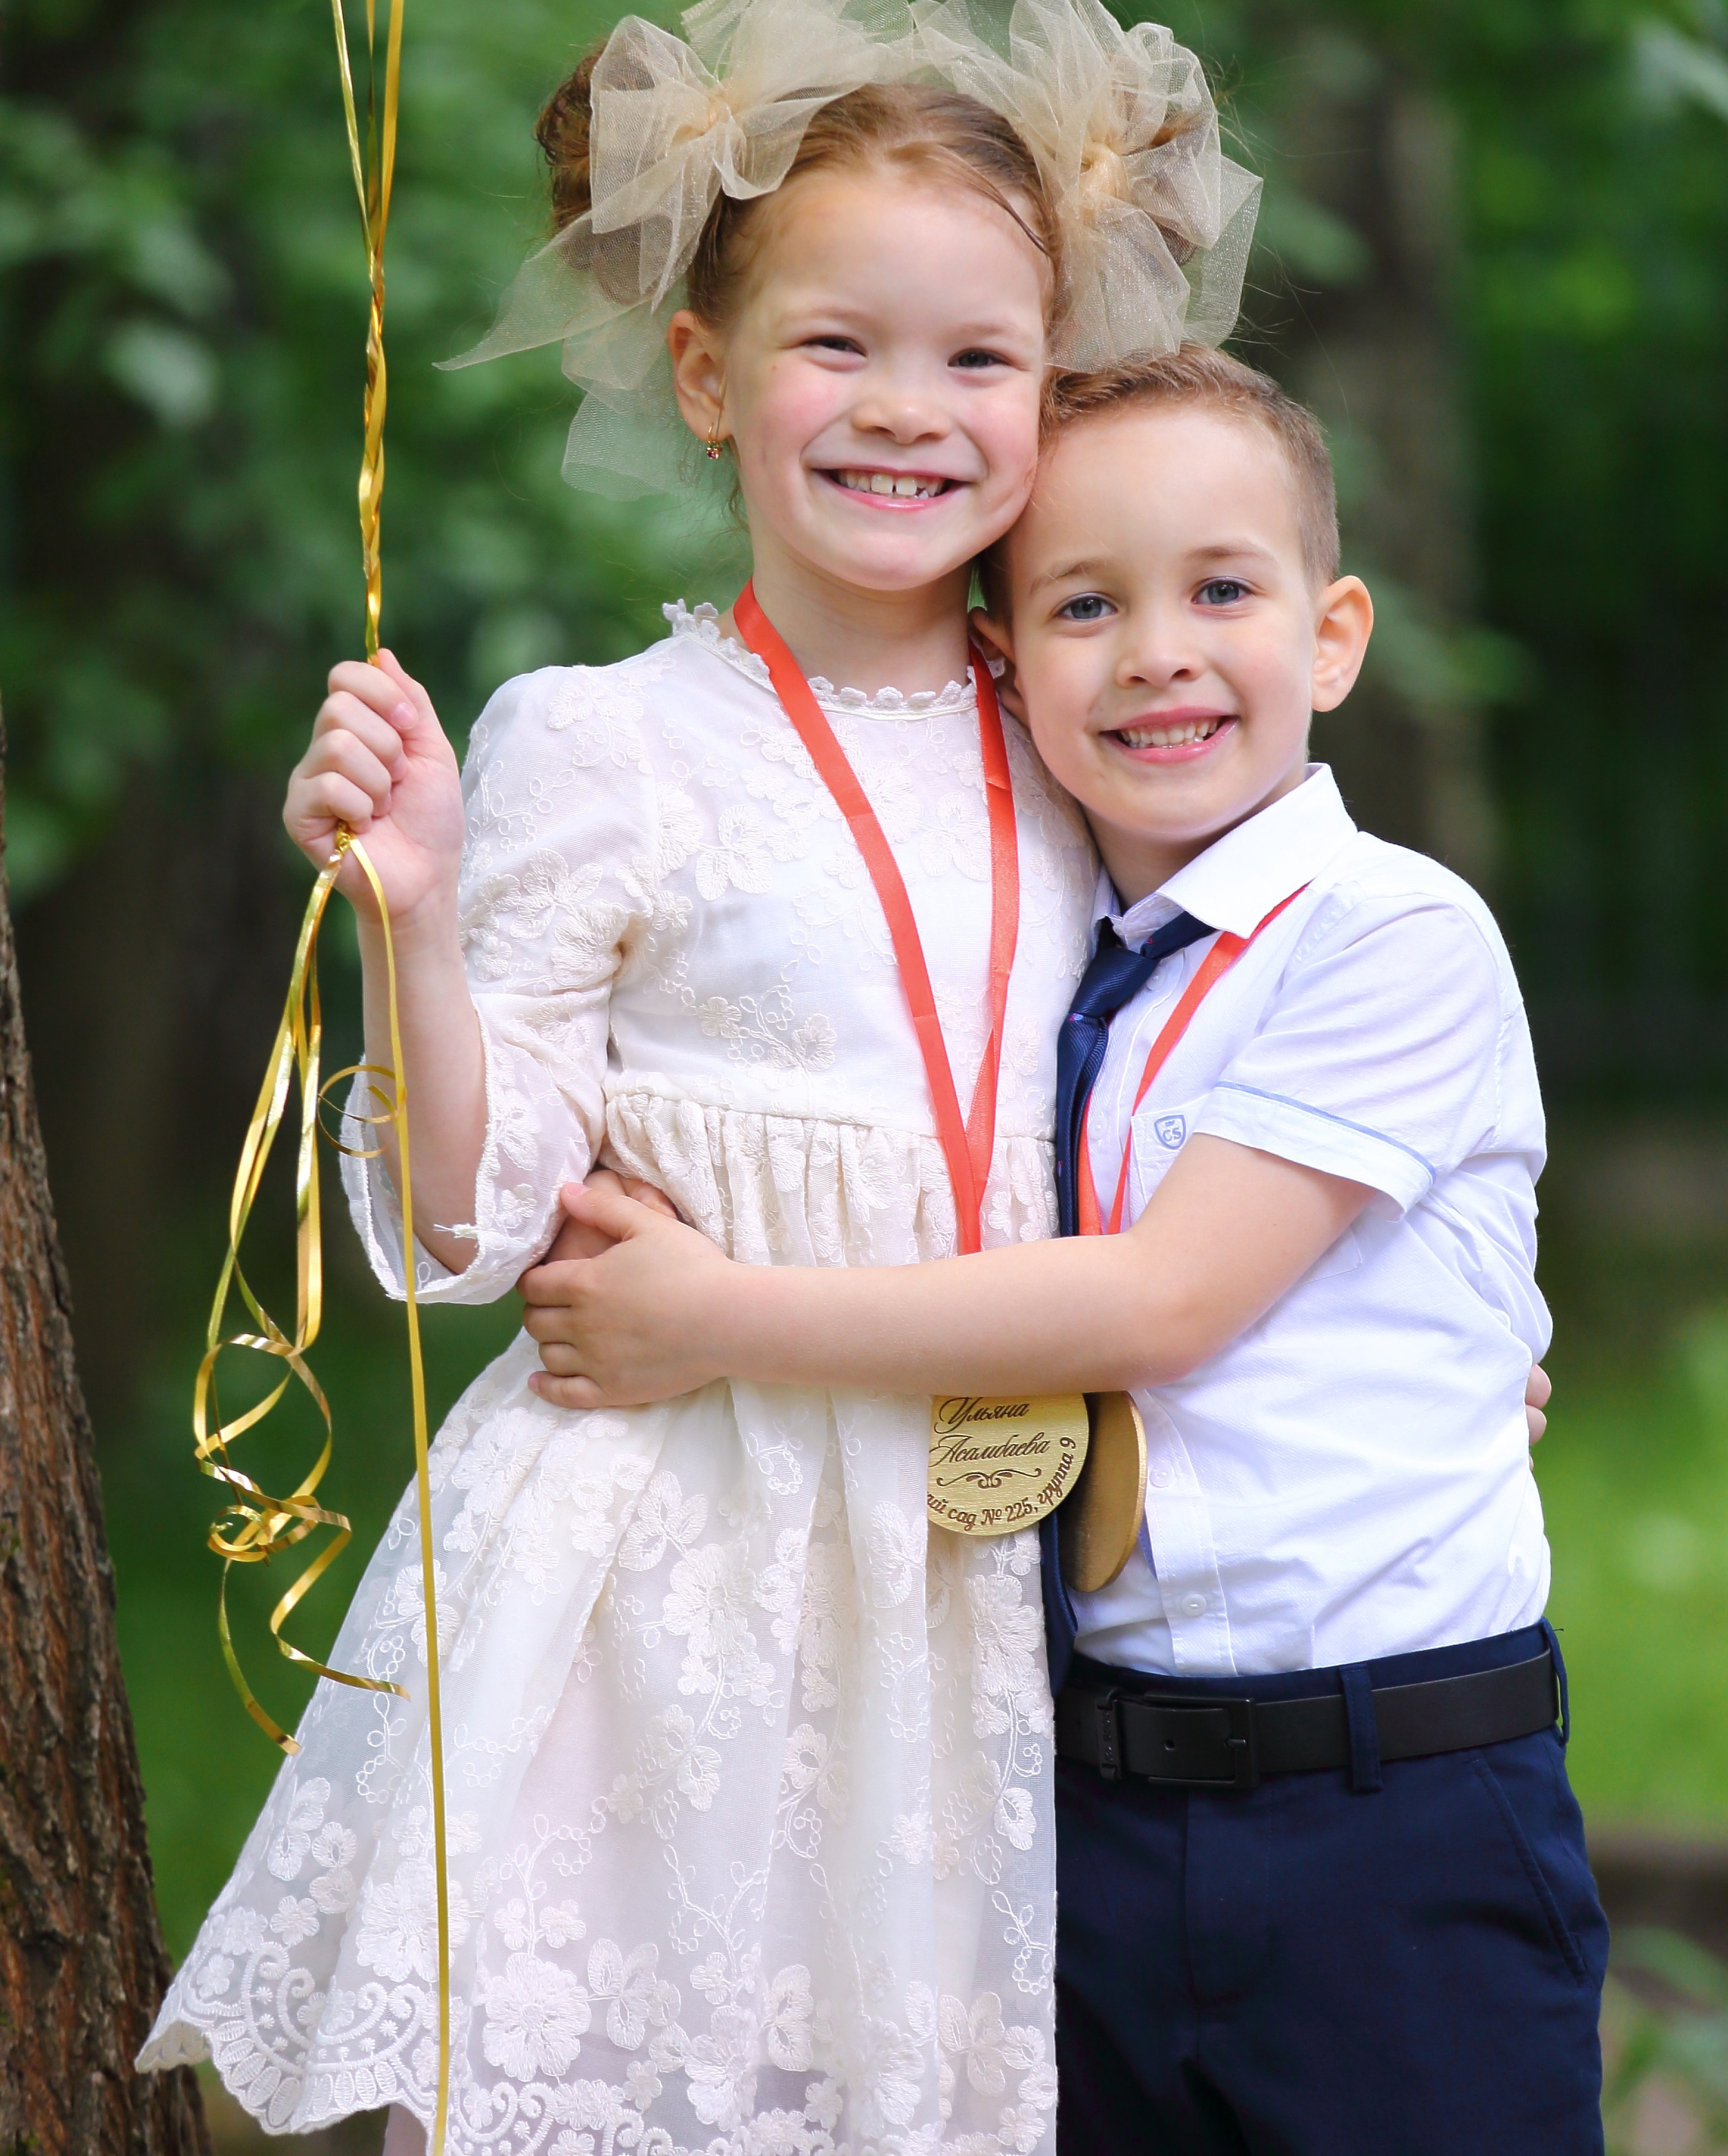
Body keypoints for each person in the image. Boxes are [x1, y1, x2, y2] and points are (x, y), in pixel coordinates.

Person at [139, 0, 1265, 2155]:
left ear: (1054, 393)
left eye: (979, 358)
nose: (908, 407)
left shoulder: (1087, 733)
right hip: (686, 1571)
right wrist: (424, 926)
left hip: (967, 1571)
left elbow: (1212, 1092)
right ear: (701, 375)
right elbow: (466, 1231)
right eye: (835, 344)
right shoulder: (608, 741)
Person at [526, 345, 1604, 2155]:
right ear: (1004, 667)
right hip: (1087, 1798)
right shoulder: (1051, 960)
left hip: (1389, 1808)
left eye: (1224, 590)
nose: (1161, 650)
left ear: (1333, 637)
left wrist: (721, 1314)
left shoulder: (1392, 935)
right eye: (1088, 603)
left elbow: (1168, 1303)